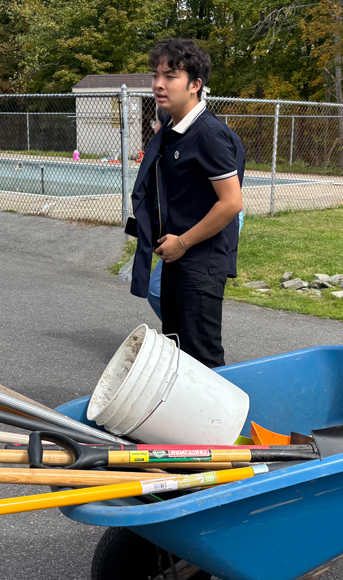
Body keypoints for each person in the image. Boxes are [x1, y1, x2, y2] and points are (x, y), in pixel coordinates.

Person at [127, 38, 244, 367]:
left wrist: (183, 242)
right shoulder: (172, 130)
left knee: (204, 361)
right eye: (155, 75)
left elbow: (232, 203)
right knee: (178, 352)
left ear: (195, 85)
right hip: (178, 257)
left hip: (200, 262)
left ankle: (225, 420)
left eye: (170, 76)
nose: (158, 84)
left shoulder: (208, 134)